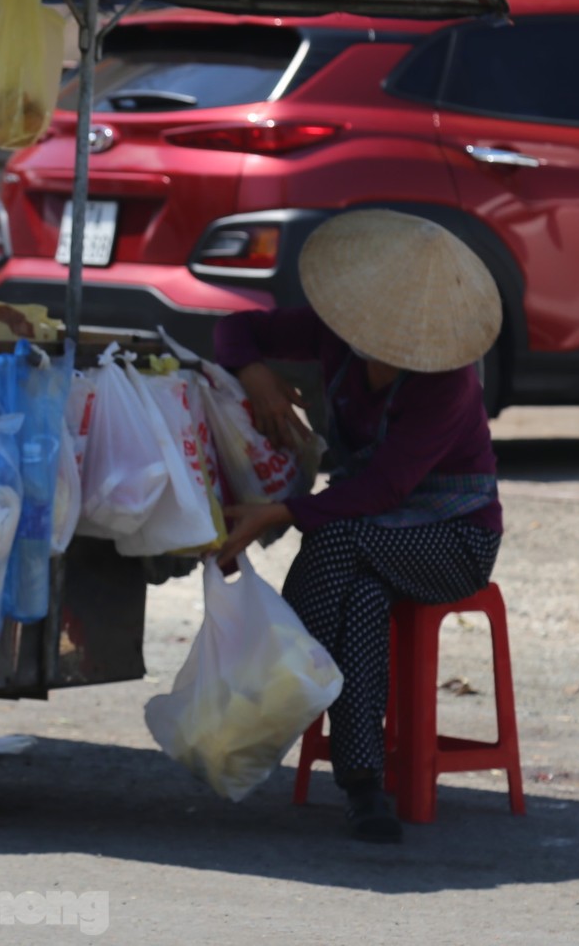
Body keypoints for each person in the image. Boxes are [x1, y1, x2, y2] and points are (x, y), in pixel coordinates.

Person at [213, 210, 504, 844]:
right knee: (365, 601)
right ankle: (363, 787)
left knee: (339, 536)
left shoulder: (447, 384)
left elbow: (382, 489)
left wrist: (282, 513)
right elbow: (234, 329)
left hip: (454, 540)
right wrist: (255, 373)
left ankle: (273, 683)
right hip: (376, 539)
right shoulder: (332, 335)